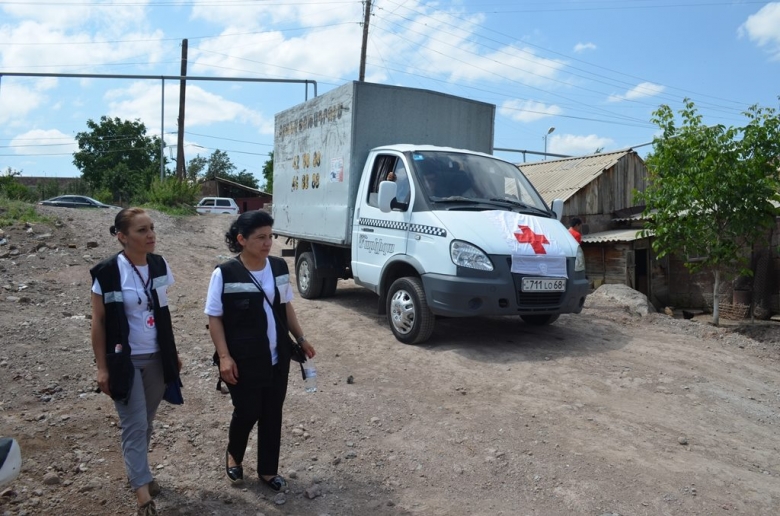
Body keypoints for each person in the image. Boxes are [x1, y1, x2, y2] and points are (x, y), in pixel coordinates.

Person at [205, 211, 316, 491]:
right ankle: (234, 455)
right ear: (242, 240)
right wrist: (224, 357)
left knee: (271, 413)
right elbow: (214, 317)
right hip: (244, 359)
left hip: (277, 357)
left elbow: (286, 306)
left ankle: (268, 470)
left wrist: (300, 338)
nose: (268, 243)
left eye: (270, 236)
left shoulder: (278, 267)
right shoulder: (225, 273)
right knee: (247, 411)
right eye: (260, 238)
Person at [90, 208, 181, 516]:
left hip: (156, 357)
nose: (151, 235)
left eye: (152, 228)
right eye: (142, 230)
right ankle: (143, 493)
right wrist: (102, 366)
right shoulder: (107, 272)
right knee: (135, 423)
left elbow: (163, 313)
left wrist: (172, 353)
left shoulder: (158, 264)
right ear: (122, 236)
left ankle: (141, 472)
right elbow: (99, 322)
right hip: (124, 362)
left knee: (146, 422)